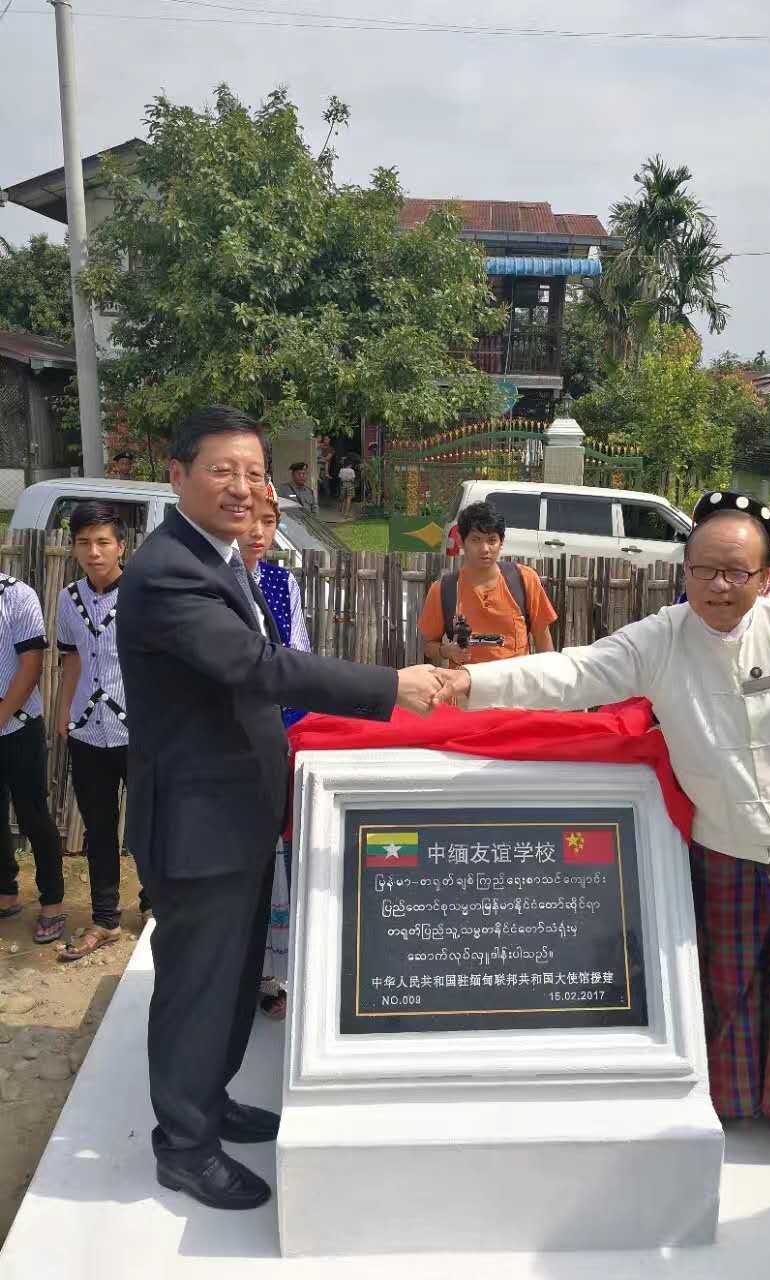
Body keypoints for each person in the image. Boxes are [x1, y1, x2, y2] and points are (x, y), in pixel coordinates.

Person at [434, 490, 770, 1155]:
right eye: (704, 570)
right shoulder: (662, 639)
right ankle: (729, 1100)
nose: (719, 586)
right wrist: (472, 684)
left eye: (737, 572)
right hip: (720, 846)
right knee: (726, 983)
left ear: (764, 575)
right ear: (685, 570)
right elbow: (573, 673)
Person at [116, 404, 443, 1211]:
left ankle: (210, 1098)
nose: (241, 487)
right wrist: (389, 687)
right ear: (177, 475)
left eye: (254, 473)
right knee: (198, 985)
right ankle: (183, 1147)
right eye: (221, 470)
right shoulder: (168, 571)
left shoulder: (221, 556)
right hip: (197, 824)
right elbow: (257, 667)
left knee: (232, 980)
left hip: (238, 813)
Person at [55, 502, 149, 962]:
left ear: (121, 546)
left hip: (139, 731)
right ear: (74, 547)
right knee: (98, 826)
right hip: (87, 731)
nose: (93, 552)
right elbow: (71, 657)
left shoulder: (144, 595)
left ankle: (155, 904)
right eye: (84, 543)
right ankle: (105, 917)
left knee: (149, 823)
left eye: (102, 542)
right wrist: (63, 711)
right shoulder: (67, 598)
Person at [237, 487, 309, 1020]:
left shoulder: (283, 584)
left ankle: (270, 974)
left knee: (278, 856)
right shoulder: (207, 585)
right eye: (250, 521)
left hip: (276, 735)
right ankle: (233, 970)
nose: (258, 533)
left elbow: (298, 657)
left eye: (268, 522)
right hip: (223, 744)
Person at [0, 573, 66, 943]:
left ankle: (52, 903)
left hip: (19, 725)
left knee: (33, 815)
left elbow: (30, 666)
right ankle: (5, 893)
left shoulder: (17, 596)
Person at [419, 501, 557, 667]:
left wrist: (550, 678)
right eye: (476, 540)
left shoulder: (525, 580)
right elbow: (428, 647)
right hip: (465, 682)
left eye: (492, 540)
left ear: (501, 542)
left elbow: (543, 640)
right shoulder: (443, 589)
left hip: (516, 681)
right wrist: (446, 651)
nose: (485, 549)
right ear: (461, 541)